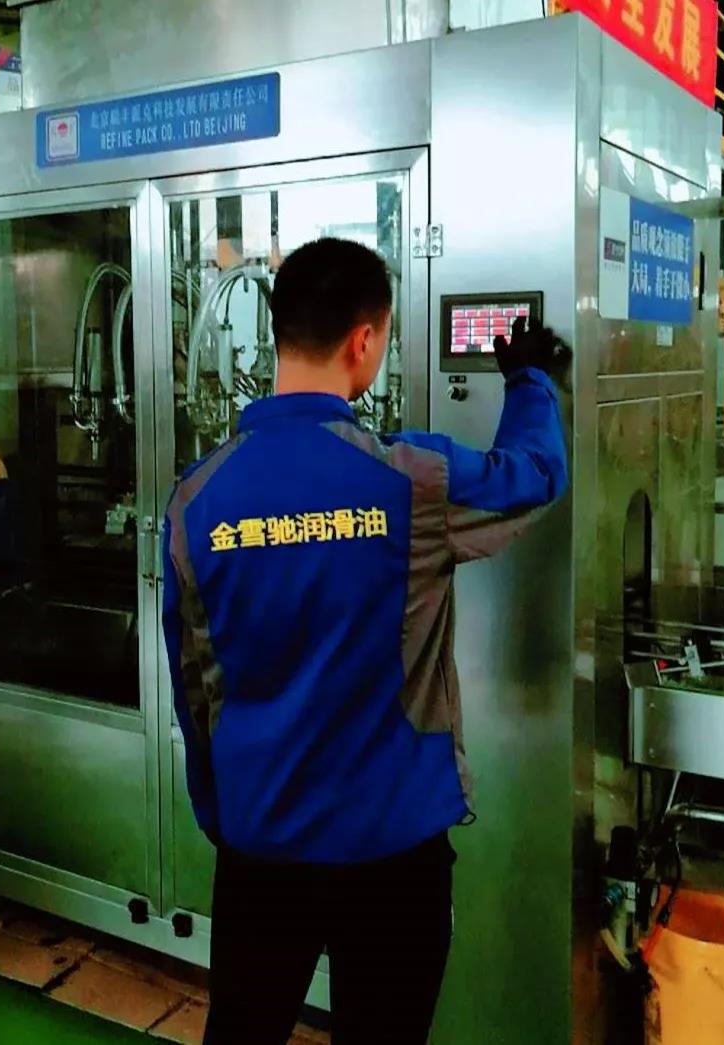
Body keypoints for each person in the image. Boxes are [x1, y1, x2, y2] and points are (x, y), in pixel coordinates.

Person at [162, 238, 570, 1045]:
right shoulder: (411, 479)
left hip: (261, 849)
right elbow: (532, 473)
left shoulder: (195, 499)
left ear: (278, 333)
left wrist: (224, 814)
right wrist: (530, 380)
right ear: (364, 339)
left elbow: (194, 686)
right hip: (392, 854)